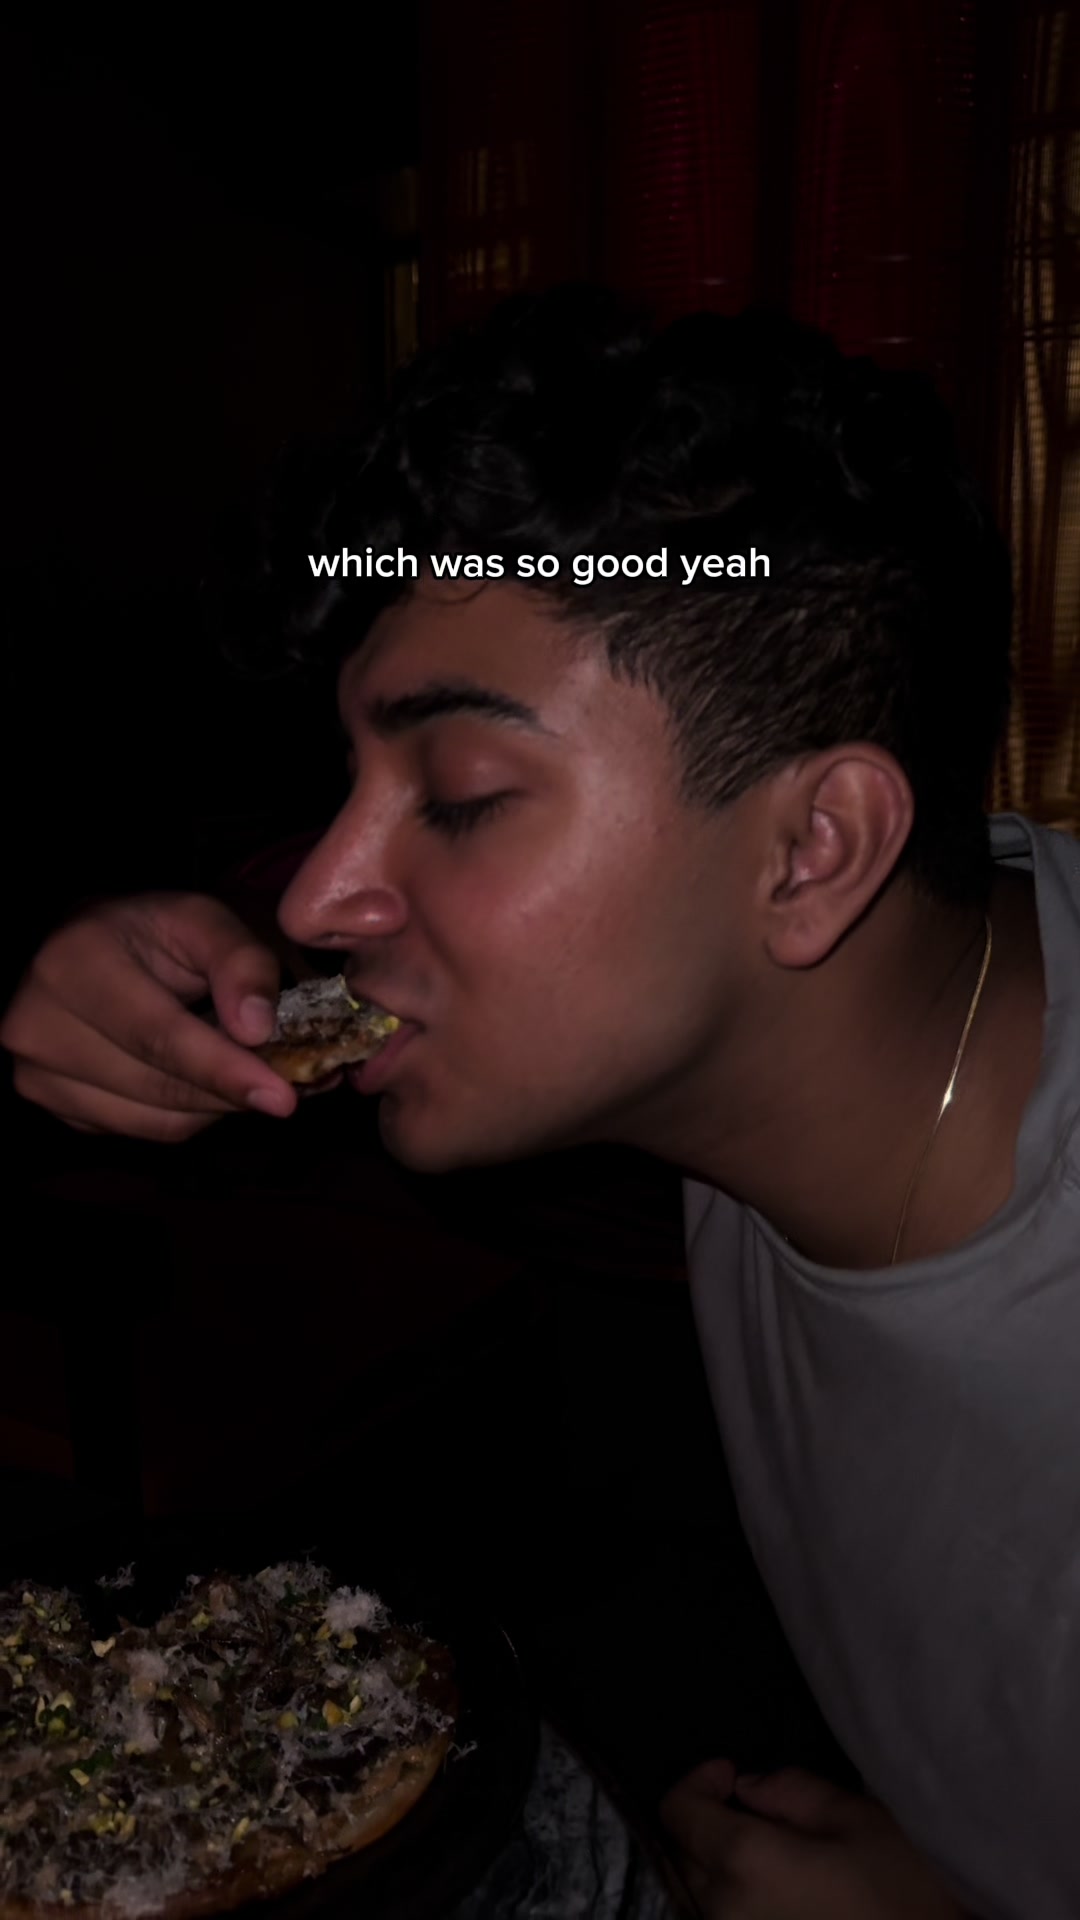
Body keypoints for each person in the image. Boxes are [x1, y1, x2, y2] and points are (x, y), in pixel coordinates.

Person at [3, 286, 1076, 1920]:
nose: (322, 895)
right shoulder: (899, 977)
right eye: (354, 787)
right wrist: (154, 996)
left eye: (460, 794)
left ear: (814, 851)